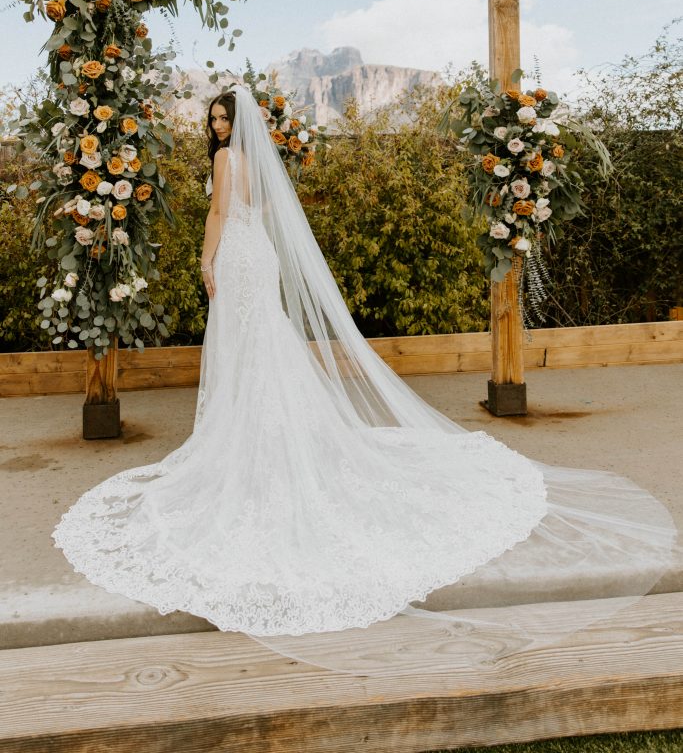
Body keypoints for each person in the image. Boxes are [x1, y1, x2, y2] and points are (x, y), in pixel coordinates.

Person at [52, 81, 679, 675]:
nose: (217, 128)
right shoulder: (259, 164)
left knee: (247, 348)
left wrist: (205, 258)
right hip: (260, 258)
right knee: (263, 345)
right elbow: (261, 210)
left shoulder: (224, 163)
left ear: (235, 124)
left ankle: (251, 438)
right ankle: (272, 432)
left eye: (222, 119)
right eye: (213, 120)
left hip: (239, 260)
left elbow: (219, 214)